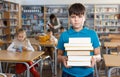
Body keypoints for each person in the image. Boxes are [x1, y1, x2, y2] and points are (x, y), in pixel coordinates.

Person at [57, 3, 101, 77]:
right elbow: (58, 56)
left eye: (80, 16)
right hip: (68, 73)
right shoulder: (64, 35)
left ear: (84, 18)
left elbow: (98, 56)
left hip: (87, 73)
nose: (76, 20)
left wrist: (94, 58)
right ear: (69, 18)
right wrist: (62, 58)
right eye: (73, 17)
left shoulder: (92, 34)